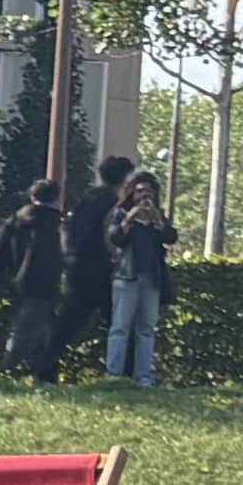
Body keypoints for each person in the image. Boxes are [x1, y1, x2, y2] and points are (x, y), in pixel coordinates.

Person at [0, 177, 68, 384]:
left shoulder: (15, 220)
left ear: (32, 197)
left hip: (18, 281)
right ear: (56, 198)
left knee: (43, 329)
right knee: (29, 331)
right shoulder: (57, 225)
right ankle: (8, 371)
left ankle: (46, 376)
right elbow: (64, 255)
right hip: (47, 282)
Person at [105, 166, 174, 388]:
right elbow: (115, 239)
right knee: (120, 328)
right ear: (131, 194)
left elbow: (171, 237)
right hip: (127, 277)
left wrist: (157, 221)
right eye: (140, 192)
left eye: (149, 192)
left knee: (146, 329)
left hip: (151, 278)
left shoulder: (157, 216)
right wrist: (129, 220)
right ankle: (114, 374)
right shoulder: (122, 214)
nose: (145, 196)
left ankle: (144, 376)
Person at [58, 153, 119, 369]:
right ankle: (123, 369)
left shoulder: (88, 197)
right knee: (117, 321)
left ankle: (46, 365)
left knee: (71, 319)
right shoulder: (111, 201)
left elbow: (70, 226)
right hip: (99, 267)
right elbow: (107, 232)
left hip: (78, 263)